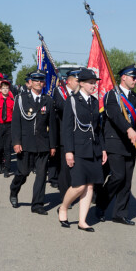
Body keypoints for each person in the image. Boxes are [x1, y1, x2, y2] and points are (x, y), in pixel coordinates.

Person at [95, 64, 136, 226]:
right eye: (133, 77)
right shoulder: (111, 95)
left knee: (127, 181)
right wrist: (128, 129)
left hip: (130, 145)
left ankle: (120, 213)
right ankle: (101, 203)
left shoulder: (135, 98)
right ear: (123, 77)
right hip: (115, 142)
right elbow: (116, 116)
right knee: (118, 176)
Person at [57, 68, 106, 232]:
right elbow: (67, 128)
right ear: (82, 84)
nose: (94, 86)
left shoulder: (94, 102)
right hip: (78, 149)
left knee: (90, 186)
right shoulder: (71, 101)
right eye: (91, 83)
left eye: (95, 83)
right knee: (78, 186)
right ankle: (64, 207)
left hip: (93, 149)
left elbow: (98, 129)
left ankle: (82, 221)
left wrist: (103, 149)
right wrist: (68, 151)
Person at [9, 70, 57, 215]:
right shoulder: (21, 99)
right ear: (31, 82)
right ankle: (14, 190)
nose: (39, 83)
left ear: (44, 83)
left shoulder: (48, 100)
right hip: (25, 144)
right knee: (23, 173)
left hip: (42, 144)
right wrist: (16, 141)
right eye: (36, 80)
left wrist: (52, 145)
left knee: (41, 175)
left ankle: (37, 204)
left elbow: (52, 125)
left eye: (41, 81)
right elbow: (16, 122)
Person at [53, 69, 81, 198]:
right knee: (65, 167)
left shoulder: (81, 94)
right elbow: (61, 106)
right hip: (64, 135)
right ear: (68, 81)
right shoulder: (59, 92)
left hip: (79, 136)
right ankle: (65, 194)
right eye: (77, 80)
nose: (79, 83)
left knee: (77, 166)